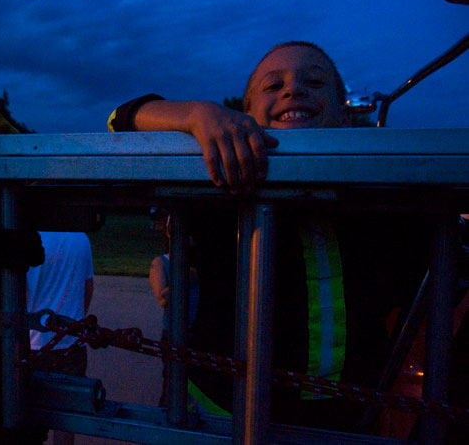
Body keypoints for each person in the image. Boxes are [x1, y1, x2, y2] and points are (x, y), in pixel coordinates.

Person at [108, 41, 436, 433]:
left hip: (347, 421)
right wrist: (198, 115)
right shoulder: (216, 174)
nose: (292, 90)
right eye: (272, 85)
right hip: (216, 416)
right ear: (244, 114)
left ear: (345, 117)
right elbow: (120, 119)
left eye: (314, 82)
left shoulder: (378, 194)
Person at [26, 231, 94, 445]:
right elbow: (87, 287)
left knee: (27, 416)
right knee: (66, 418)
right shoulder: (80, 238)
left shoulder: (27, 237)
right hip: (70, 344)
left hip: (31, 345)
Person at [149, 213, 199, 407]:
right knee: (173, 384)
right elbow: (162, 298)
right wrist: (185, 274)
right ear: (169, 232)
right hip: (175, 334)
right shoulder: (161, 262)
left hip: (201, 333)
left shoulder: (202, 263)